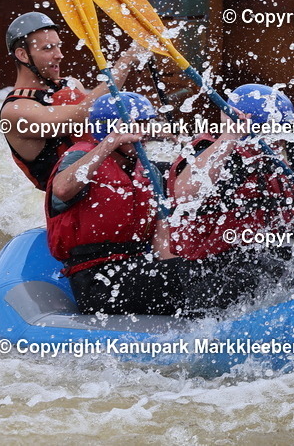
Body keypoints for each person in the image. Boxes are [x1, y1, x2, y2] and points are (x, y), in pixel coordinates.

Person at [45, 92, 192, 316]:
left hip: (135, 268)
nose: (144, 134)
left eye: (146, 125)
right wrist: (110, 142)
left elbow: (162, 242)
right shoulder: (81, 158)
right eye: (137, 126)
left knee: (198, 270)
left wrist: (182, 267)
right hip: (97, 280)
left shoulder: (148, 172)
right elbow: (63, 189)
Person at [169, 84, 294, 296]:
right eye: (276, 130)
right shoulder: (212, 152)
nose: (281, 139)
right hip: (213, 270)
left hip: (258, 256)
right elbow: (185, 193)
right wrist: (230, 136)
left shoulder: (269, 160)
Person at [0, 11, 141, 189]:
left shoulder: (71, 84)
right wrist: (127, 59)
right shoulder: (15, 111)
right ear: (23, 55)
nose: (59, 55)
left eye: (58, 46)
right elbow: (82, 114)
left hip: (115, 179)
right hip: (75, 202)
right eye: (48, 48)